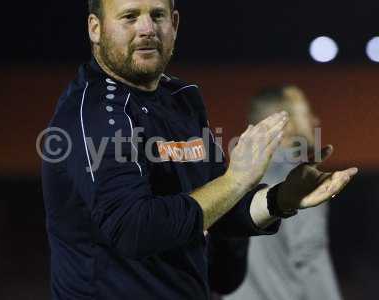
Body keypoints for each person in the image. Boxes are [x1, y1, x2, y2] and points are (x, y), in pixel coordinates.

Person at [41, 1, 357, 299]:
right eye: (129, 16)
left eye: (158, 15)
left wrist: (279, 198)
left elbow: (220, 207)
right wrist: (235, 181)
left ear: (174, 23)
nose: (147, 28)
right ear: (95, 28)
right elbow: (134, 229)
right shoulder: (96, 113)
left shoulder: (182, 101)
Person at [226, 86, 343, 300]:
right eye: (306, 113)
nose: (315, 120)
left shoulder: (229, 180)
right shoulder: (298, 180)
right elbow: (310, 258)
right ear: (285, 123)